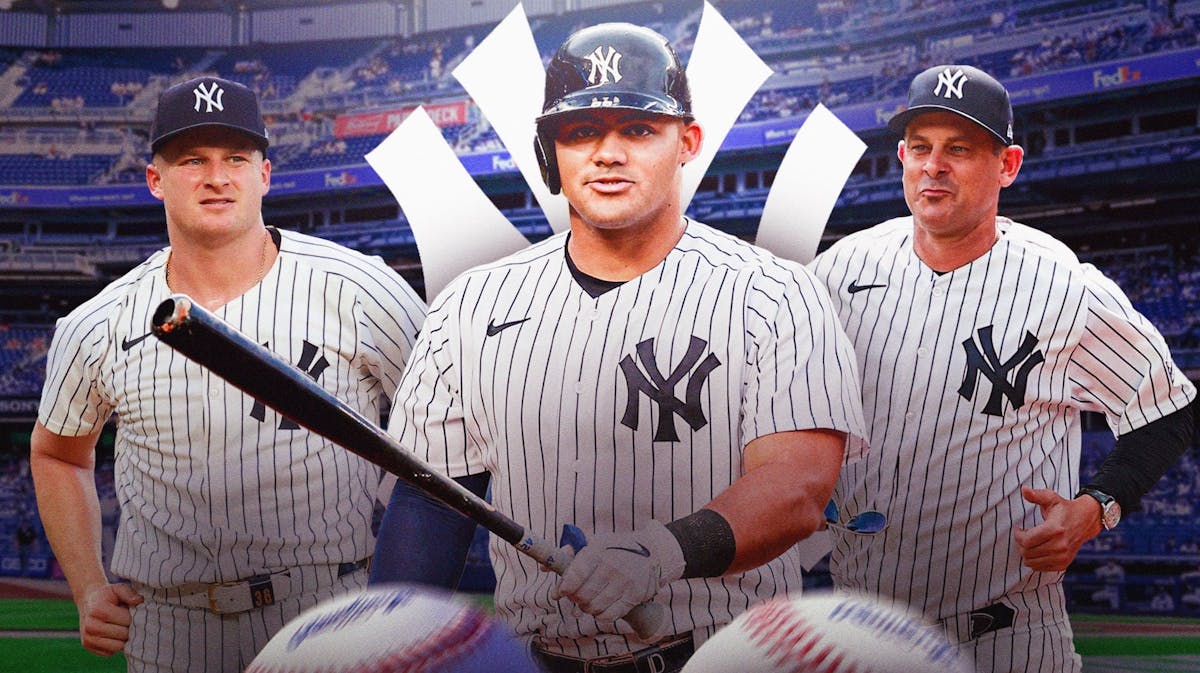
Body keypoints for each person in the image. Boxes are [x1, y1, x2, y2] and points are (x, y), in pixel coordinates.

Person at [370, 23, 867, 673]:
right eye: (581, 132)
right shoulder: (470, 305)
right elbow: (431, 504)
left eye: (637, 129)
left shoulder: (774, 292)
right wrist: (384, 647)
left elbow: (797, 485)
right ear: (551, 152)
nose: (608, 153)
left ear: (686, 141)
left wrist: (661, 551)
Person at [30, 76, 426, 673]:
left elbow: (451, 430)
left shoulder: (360, 288)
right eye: (193, 159)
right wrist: (87, 586)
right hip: (168, 629)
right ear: (155, 179)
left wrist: (411, 577)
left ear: (264, 174)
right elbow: (58, 454)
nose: (217, 176)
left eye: (236, 158)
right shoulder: (98, 322)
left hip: (329, 614)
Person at [810, 64, 1196, 673]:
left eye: (958, 149)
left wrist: (1097, 506)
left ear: (1008, 166)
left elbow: (1168, 411)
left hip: (1008, 637)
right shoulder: (840, 269)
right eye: (920, 148)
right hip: (864, 632)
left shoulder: (1064, 287)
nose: (933, 165)